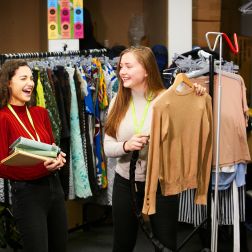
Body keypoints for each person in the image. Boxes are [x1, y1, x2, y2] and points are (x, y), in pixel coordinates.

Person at [104, 46, 206, 251]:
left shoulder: (169, 100)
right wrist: (126, 145)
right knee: (122, 244)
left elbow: (190, 128)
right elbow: (107, 148)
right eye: (120, 66)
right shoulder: (117, 101)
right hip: (126, 183)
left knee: (166, 244)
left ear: (147, 70)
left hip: (161, 183)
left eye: (128, 66)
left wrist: (197, 94)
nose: (122, 71)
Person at [0, 60, 68, 252]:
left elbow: (51, 147)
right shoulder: (3, 117)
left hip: (54, 187)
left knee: (60, 247)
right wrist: (40, 168)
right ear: (8, 83)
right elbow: (1, 165)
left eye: (31, 78)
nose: (30, 83)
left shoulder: (41, 113)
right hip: (28, 194)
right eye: (23, 78)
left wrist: (58, 158)